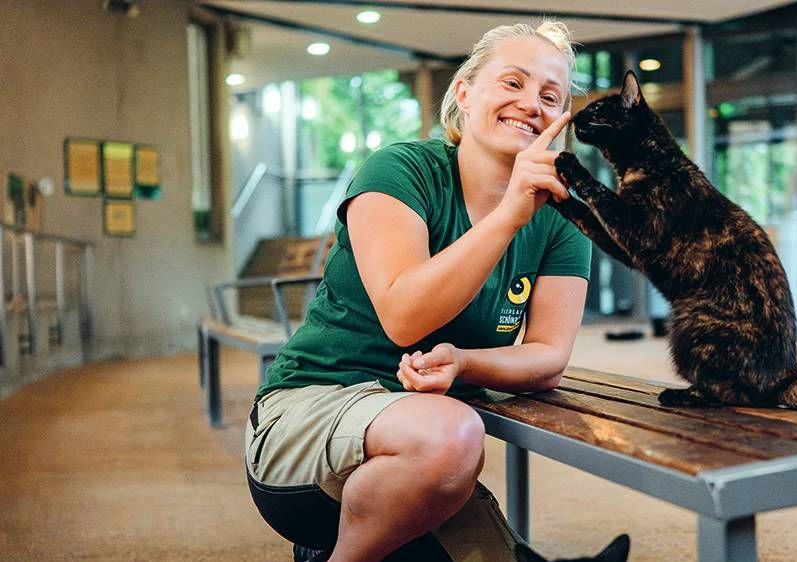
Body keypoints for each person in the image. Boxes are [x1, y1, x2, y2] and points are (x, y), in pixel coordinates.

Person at [244, 21, 591, 562]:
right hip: (311, 416)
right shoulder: (400, 169)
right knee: (454, 434)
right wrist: (507, 216)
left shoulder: (561, 218)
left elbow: (548, 357)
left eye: (551, 96)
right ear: (465, 92)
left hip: (417, 456)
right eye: (513, 83)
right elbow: (405, 317)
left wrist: (464, 361)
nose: (531, 104)